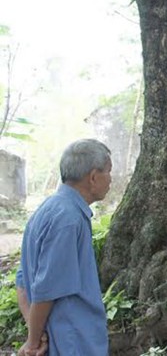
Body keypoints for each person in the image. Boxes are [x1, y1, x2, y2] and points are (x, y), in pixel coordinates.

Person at [16, 139, 112, 356]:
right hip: (73, 341)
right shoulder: (68, 220)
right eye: (108, 171)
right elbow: (46, 289)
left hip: (61, 337)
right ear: (93, 177)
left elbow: (22, 282)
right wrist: (32, 342)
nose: (111, 179)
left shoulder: (47, 209)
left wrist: (35, 332)